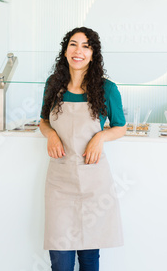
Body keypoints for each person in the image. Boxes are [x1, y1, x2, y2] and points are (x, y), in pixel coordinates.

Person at [39, 27, 126, 271]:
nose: (79, 51)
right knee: (61, 260)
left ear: (93, 53)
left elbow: (120, 127)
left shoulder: (107, 89)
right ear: (65, 51)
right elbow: (43, 121)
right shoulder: (53, 84)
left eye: (86, 46)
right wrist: (51, 135)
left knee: (89, 256)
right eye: (73, 45)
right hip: (59, 182)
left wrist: (100, 136)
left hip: (93, 181)